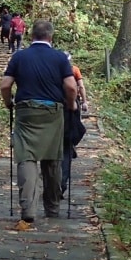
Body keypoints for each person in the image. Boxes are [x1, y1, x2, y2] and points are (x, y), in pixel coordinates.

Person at [0, 19, 76, 227]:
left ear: (31, 35)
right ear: (51, 37)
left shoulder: (20, 56)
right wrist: (71, 106)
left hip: (26, 113)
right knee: (52, 159)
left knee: (27, 158)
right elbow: (70, 87)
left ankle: (28, 210)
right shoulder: (60, 58)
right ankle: (52, 208)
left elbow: (5, 85)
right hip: (53, 112)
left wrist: (9, 104)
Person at [61, 53, 88, 192]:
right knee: (74, 128)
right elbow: (80, 86)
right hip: (72, 104)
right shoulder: (74, 69)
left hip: (57, 104)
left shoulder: (54, 69)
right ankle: (71, 145)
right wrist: (84, 101)